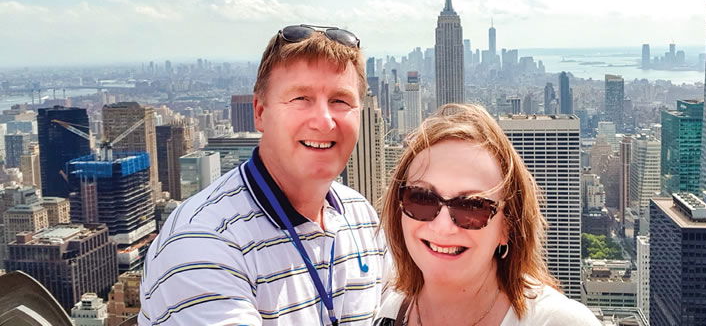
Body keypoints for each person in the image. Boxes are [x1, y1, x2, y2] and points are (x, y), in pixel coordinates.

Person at [140, 25, 386, 325]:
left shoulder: (361, 215)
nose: (324, 121)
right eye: (300, 98)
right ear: (260, 112)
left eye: (340, 101)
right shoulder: (202, 241)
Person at [374, 104, 600, 326]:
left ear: (507, 227)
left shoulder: (556, 321)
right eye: (422, 198)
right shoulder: (388, 311)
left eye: (472, 206)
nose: (442, 226)